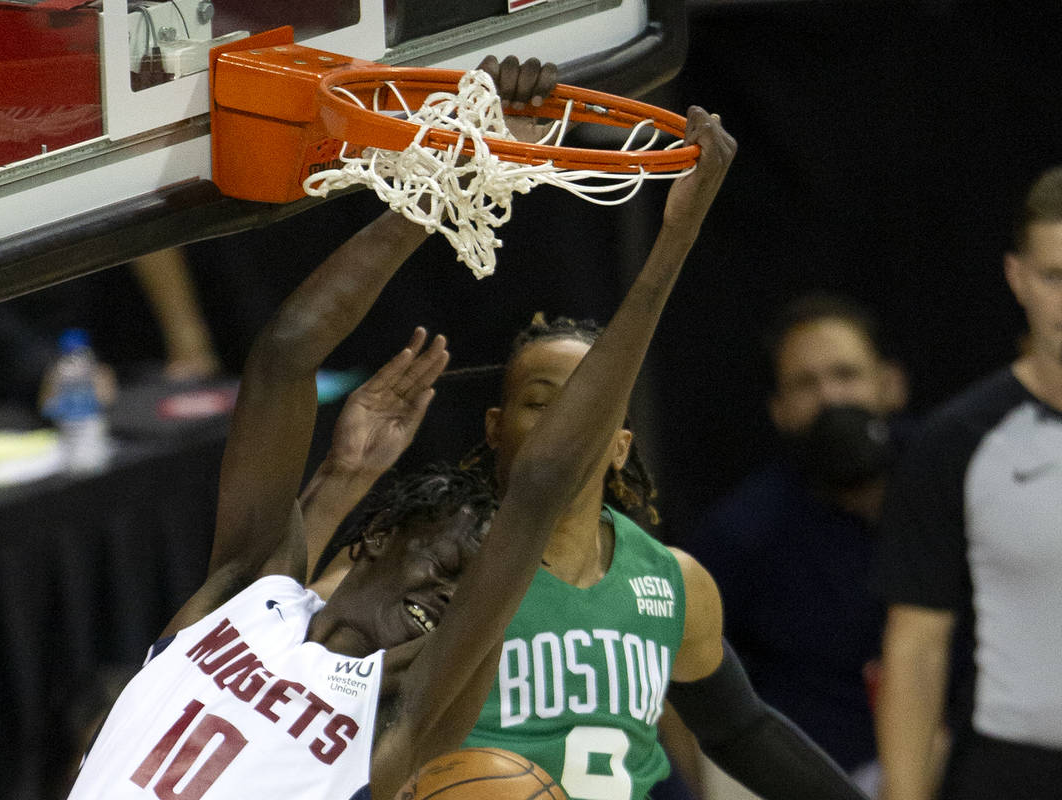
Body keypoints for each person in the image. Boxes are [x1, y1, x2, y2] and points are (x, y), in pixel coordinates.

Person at [67, 60, 739, 800]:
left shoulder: (398, 726)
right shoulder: (245, 596)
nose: (449, 596)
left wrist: (673, 245)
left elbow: (544, 484)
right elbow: (288, 352)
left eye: (464, 596)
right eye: (448, 561)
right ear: (378, 541)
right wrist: (454, 163)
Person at [307, 123, 866, 800]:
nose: (566, 430)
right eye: (541, 403)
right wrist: (342, 479)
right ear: (495, 428)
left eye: (590, 409)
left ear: (622, 444)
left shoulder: (673, 585)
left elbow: (741, 730)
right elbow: (272, 639)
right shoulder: (432, 559)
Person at [873, 165, 1062, 800]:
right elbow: (917, 648)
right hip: (1011, 775)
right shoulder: (958, 442)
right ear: (1017, 278)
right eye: (1054, 277)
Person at [684, 293, 909, 796]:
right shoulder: (742, 533)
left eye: (846, 375)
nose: (830, 399)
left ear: (890, 384)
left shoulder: (953, 489)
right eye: (806, 384)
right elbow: (664, 662)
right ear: (779, 410)